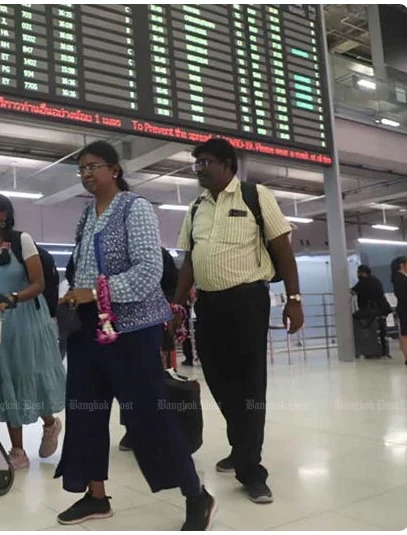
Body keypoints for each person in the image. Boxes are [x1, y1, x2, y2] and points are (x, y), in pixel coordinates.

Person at [55, 141, 214, 530]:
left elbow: (148, 272)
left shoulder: (135, 208)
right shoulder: (86, 215)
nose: (87, 174)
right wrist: (77, 296)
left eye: (94, 166)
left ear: (115, 170)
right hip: (87, 329)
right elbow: (81, 268)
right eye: (81, 169)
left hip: (131, 329)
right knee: (85, 412)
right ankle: (96, 497)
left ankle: (197, 494)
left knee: (148, 415)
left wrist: (95, 291)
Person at [173, 138, 304, 505]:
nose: (199, 169)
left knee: (249, 384)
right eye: (195, 163)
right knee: (217, 378)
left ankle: (251, 469)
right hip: (209, 305)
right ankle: (242, 446)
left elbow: (283, 250)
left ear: (228, 164)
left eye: (206, 162)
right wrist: (176, 307)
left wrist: (294, 299)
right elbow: (189, 262)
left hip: (247, 300)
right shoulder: (196, 207)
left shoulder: (254, 195)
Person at [0, 193, 65, 470]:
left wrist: (13, 298)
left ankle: (50, 423)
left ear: (4, 215)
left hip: (27, 319)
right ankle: (18, 451)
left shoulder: (22, 240)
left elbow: (38, 283)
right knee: (7, 379)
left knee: (29, 376)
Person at [118, 246, 179, 452]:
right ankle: (132, 428)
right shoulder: (117, 253)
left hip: (157, 325)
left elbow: (173, 285)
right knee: (128, 380)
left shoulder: (159, 254)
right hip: (125, 326)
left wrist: (168, 307)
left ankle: (163, 428)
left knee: (159, 379)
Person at [351, 265, 391, 357]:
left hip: (370, 311)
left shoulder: (363, 282)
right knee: (381, 330)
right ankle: (383, 350)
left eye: (358, 272)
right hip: (381, 309)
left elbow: (353, 291)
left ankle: (370, 350)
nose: (358, 274)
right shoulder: (375, 280)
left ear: (363, 273)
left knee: (362, 323)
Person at [390, 257, 407, 365]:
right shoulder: (400, 279)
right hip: (405, 308)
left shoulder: (401, 278)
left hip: (404, 308)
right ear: (402, 265)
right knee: (405, 334)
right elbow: (403, 296)